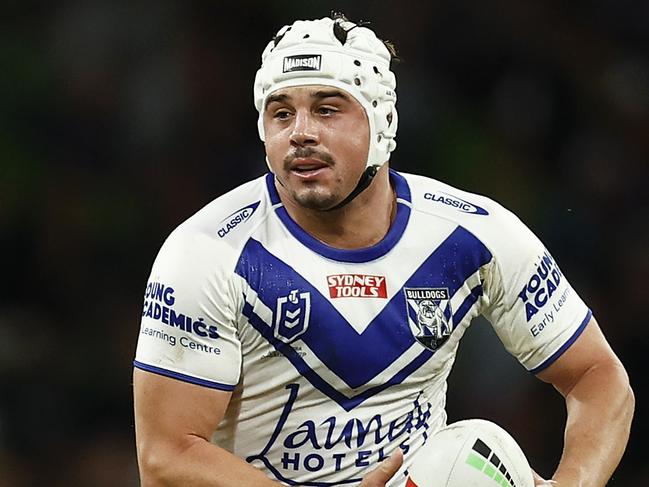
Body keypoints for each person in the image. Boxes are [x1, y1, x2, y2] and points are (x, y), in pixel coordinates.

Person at [132, 14, 634, 487]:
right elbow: (165, 457)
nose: (301, 133)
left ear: (382, 121)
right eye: (281, 114)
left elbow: (598, 377)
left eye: (327, 109)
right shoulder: (207, 253)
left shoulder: (474, 235)